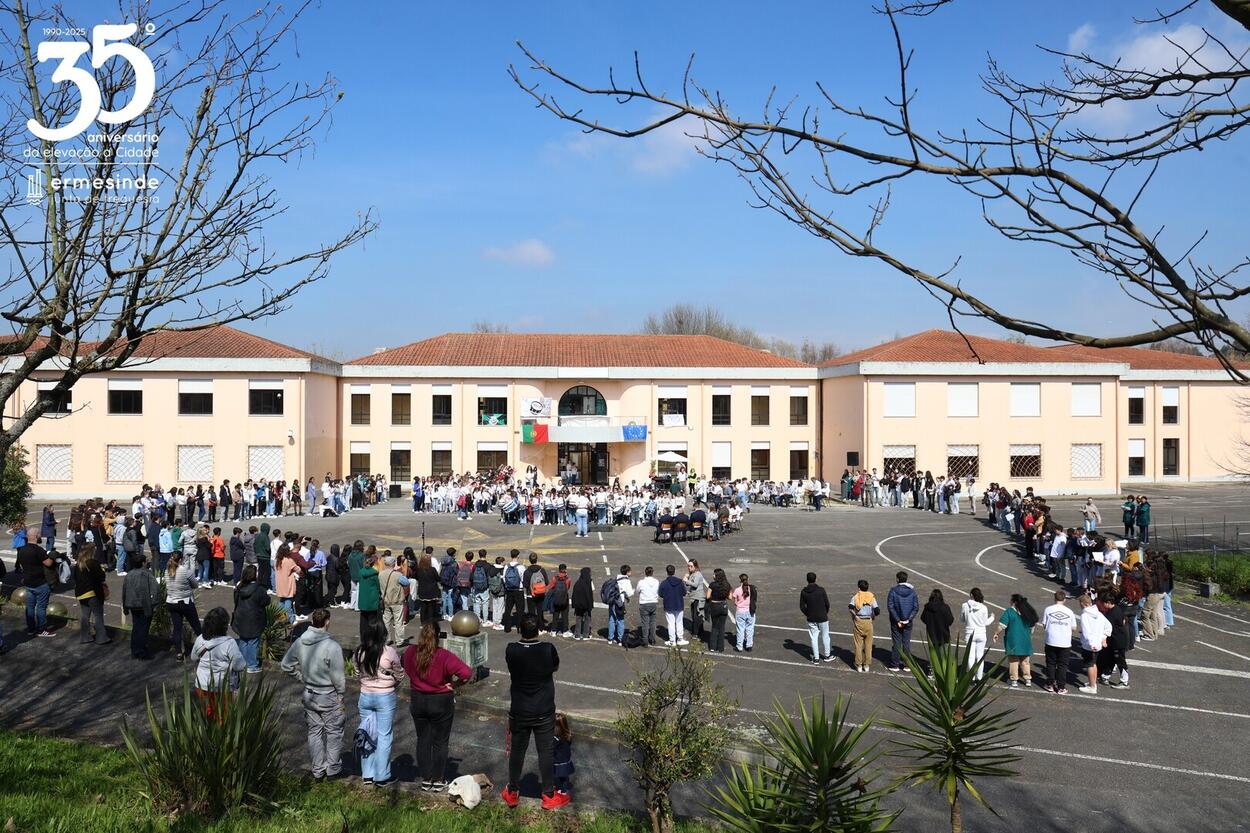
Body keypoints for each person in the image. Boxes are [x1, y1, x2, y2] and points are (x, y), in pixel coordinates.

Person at [500, 615, 569, 810]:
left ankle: (512, 791)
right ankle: (548, 794)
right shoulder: (547, 648)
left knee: (517, 751)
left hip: (520, 709)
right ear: (538, 629)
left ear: (520, 630)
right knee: (545, 751)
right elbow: (555, 666)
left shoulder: (512, 649)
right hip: (543, 709)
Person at [402, 621, 474, 791]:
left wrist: (415, 679)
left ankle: (426, 778)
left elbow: (403, 664)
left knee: (423, 739)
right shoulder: (444, 655)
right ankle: (438, 779)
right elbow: (467, 673)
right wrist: (455, 684)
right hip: (440, 700)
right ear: (437, 637)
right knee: (440, 742)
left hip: (418, 699)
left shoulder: (411, 652)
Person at [281, 608, 347, 780]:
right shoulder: (332, 646)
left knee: (314, 731)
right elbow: (338, 677)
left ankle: (318, 769)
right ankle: (333, 769)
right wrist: (341, 694)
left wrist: (301, 677)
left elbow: (286, 664)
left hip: (309, 693)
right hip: (328, 694)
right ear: (327, 622)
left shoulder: (300, 642)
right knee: (333, 732)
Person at [355, 619, 403, 786]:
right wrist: (392, 683)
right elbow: (399, 672)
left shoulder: (359, 651)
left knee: (368, 733)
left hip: (365, 695)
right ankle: (382, 775)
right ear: (383, 633)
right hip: (385, 697)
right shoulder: (389, 652)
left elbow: (357, 672)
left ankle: (367, 774)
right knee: (384, 736)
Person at [190, 607, 245, 717]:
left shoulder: (200, 639)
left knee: (207, 714)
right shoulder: (230, 643)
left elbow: (193, 658)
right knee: (222, 716)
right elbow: (239, 666)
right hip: (222, 687)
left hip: (201, 684)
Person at [993, 594, 1038, 688]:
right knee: (1025, 661)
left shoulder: (1009, 611)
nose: (1009, 601)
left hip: (1013, 641)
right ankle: (1027, 679)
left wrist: (996, 633)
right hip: (1025, 641)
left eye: (1011, 600)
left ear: (1014, 602)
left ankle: (1014, 679)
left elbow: (1002, 625)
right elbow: (1032, 627)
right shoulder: (1028, 612)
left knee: (1013, 660)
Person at [165, 552, 203, 661]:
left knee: (177, 628)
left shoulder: (167, 570)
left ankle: (179, 653)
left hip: (171, 601)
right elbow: (195, 584)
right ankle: (203, 649)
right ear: (181, 560)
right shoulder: (185, 570)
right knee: (196, 627)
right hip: (185, 602)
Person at [122, 554, 160, 659]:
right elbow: (155, 589)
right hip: (144, 605)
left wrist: (125, 606)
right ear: (143, 563)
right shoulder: (147, 574)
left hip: (132, 604)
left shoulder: (129, 574)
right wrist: (155, 603)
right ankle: (141, 651)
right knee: (143, 628)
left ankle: (134, 650)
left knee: (136, 627)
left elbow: (124, 591)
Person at [232, 564, 268, 673]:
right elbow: (266, 601)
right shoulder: (259, 589)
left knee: (243, 641)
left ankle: (243, 663)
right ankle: (252, 665)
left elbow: (235, 600)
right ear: (254, 575)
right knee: (253, 642)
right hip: (254, 619)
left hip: (240, 617)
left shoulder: (239, 587)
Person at [16, 538, 56, 638]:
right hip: (40, 583)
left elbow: (20, 563)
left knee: (30, 607)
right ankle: (41, 629)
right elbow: (48, 563)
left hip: (28, 582)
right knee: (41, 607)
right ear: (35, 537)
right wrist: (53, 557)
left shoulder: (22, 549)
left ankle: (31, 629)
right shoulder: (38, 550)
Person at [1040, 590, 1078, 694]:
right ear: (1064, 599)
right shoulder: (1069, 612)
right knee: (1062, 665)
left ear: (1055, 598)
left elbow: (1044, 624)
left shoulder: (1048, 609)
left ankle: (1050, 684)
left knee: (1050, 663)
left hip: (1051, 640)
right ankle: (1061, 687)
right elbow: (1074, 627)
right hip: (1065, 642)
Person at [73, 544, 110, 645]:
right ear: (91, 551)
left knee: (85, 616)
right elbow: (101, 577)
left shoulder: (78, 564)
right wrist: (102, 570)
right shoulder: (93, 563)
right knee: (98, 615)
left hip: (81, 593)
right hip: (93, 592)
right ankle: (101, 638)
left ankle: (85, 637)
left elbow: (75, 578)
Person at [1077, 594, 1112, 695]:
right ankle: (1093, 683)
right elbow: (1108, 626)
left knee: (1090, 665)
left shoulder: (1084, 615)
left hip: (1089, 645)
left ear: (1082, 604)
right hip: (1097, 644)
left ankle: (1092, 687)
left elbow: (1086, 631)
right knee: (1094, 664)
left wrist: (1091, 643)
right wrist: (1103, 638)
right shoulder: (1099, 614)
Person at [886, 571, 918, 671]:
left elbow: (890, 607)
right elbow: (915, 607)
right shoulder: (912, 592)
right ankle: (907, 665)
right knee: (906, 643)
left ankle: (895, 664)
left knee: (897, 642)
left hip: (896, 622)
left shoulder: (893, 591)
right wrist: (908, 619)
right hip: (908, 622)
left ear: (897, 579)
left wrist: (898, 620)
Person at [799, 572, 833, 664]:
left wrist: (808, 614)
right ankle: (827, 655)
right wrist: (825, 612)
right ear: (816, 579)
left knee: (814, 638)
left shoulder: (804, 591)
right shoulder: (821, 590)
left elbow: (802, 607)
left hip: (811, 618)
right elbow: (827, 604)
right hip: (822, 617)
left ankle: (816, 658)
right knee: (825, 636)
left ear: (807, 580)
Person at [960, 588, 992, 680]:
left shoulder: (965, 605)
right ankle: (979, 677)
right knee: (980, 656)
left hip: (970, 634)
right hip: (981, 634)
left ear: (971, 595)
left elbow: (962, 619)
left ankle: (971, 677)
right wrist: (992, 617)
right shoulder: (984, 607)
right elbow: (985, 622)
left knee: (970, 657)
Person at [849, 579, 879, 672]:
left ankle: (858, 665)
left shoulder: (856, 597)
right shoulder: (871, 597)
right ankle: (866, 665)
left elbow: (850, 608)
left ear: (859, 588)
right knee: (868, 645)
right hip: (868, 621)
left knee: (858, 645)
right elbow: (877, 610)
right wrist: (872, 616)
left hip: (859, 621)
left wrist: (855, 616)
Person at [658, 564, 688, 646]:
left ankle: (672, 641)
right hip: (679, 604)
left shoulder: (664, 583)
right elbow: (684, 592)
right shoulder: (680, 582)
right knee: (679, 622)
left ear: (667, 572)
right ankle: (680, 639)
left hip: (669, 605)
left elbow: (660, 594)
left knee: (671, 623)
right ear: (674, 572)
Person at [706, 568, 732, 653]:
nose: (713, 575)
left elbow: (708, 596)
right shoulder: (727, 585)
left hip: (715, 606)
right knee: (722, 627)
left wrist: (713, 596)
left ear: (717, 575)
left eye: (714, 574)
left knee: (714, 627)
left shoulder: (712, 585)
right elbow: (730, 597)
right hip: (723, 606)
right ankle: (720, 647)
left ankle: (713, 647)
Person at [606, 565, 633, 646]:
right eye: (630, 571)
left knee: (612, 619)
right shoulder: (627, 581)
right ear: (627, 572)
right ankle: (620, 639)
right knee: (620, 620)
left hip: (612, 601)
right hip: (619, 603)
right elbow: (630, 593)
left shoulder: (617, 578)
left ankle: (610, 638)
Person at [921, 588, 954, 655]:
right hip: (944, 635)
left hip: (931, 635)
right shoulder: (945, 607)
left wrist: (929, 623)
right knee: (944, 656)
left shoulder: (927, 607)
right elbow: (950, 620)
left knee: (934, 655)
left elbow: (923, 618)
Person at [523, 553, 550, 631]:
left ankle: (533, 629)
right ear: (536, 559)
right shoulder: (542, 570)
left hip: (530, 594)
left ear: (529, 560)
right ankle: (541, 628)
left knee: (531, 613)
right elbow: (546, 582)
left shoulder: (527, 571)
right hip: (541, 594)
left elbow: (525, 585)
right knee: (540, 612)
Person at [358, 551, 382, 639]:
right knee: (372, 620)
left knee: (363, 620)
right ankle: (372, 636)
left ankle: (363, 636)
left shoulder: (361, 572)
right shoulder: (374, 574)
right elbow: (378, 587)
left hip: (363, 600)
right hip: (372, 600)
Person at [731, 573, 757, 652]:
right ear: (748, 579)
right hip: (750, 611)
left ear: (740, 580)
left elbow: (735, 601)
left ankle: (739, 646)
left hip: (740, 612)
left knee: (740, 629)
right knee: (750, 629)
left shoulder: (737, 590)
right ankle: (749, 645)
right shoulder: (752, 588)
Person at [502, 550, 526, 633]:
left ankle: (507, 628)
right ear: (518, 556)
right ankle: (520, 627)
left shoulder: (506, 566)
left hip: (509, 590)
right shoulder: (521, 567)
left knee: (508, 609)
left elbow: (504, 578)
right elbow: (523, 579)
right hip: (519, 590)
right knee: (520, 610)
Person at [636, 566, 660, 646]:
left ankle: (645, 641)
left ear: (645, 573)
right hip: (653, 603)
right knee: (653, 622)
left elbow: (637, 591)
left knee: (645, 623)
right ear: (652, 573)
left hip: (644, 603)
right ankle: (652, 639)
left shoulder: (641, 582)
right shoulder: (656, 581)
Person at [684, 560, 707, 642]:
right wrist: (687, 580)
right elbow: (690, 585)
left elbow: (695, 584)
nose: (689, 568)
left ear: (695, 566)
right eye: (688, 566)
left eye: (691, 566)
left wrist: (686, 580)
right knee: (696, 615)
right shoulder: (692, 574)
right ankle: (700, 632)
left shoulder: (698, 574)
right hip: (694, 597)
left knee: (696, 616)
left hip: (698, 598)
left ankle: (695, 634)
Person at [553, 712, 575, 797]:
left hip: (559, 760)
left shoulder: (556, 738)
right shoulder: (567, 734)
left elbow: (551, 747)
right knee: (564, 776)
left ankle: (562, 791)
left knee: (560, 776)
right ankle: (562, 789)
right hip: (566, 758)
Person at [571, 567, 595, 641]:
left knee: (578, 619)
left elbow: (574, 595)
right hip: (587, 605)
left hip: (579, 605)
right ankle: (585, 635)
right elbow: (592, 591)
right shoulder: (589, 582)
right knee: (587, 619)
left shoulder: (578, 583)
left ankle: (577, 635)